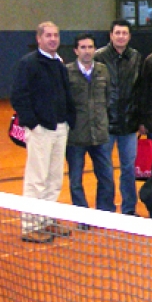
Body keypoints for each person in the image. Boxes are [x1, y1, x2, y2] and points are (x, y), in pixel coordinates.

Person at [11, 22, 76, 243]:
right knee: (36, 179)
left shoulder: (59, 63)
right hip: (40, 130)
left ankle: (47, 220)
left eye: (56, 35)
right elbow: (19, 96)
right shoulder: (28, 63)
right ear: (39, 38)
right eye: (48, 35)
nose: (53, 39)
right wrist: (33, 124)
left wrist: (68, 120)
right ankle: (30, 226)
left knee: (54, 178)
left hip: (60, 128)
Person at [94, 19, 142, 216]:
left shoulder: (136, 57)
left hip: (129, 124)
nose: (121, 36)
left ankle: (129, 208)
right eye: (117, 33)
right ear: (111, 35)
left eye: (125, 33)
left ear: (129, 36)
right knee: (104, 169)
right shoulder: (99, 57)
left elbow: (139, 90)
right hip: (105, 124)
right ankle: (105, 209)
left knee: (129, 169)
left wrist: (140, 119)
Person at [65, 33, 114, 213]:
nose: (87, 51)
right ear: (76, 50)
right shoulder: (67, 72)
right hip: (75, 135)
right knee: (76, 179)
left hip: (100, 135)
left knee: (106, 177)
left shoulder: (103, 70)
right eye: (83, 47)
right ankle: (82, 215)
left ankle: (105, 212)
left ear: (95, 49)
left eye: (90, 47)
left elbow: (108, 98)